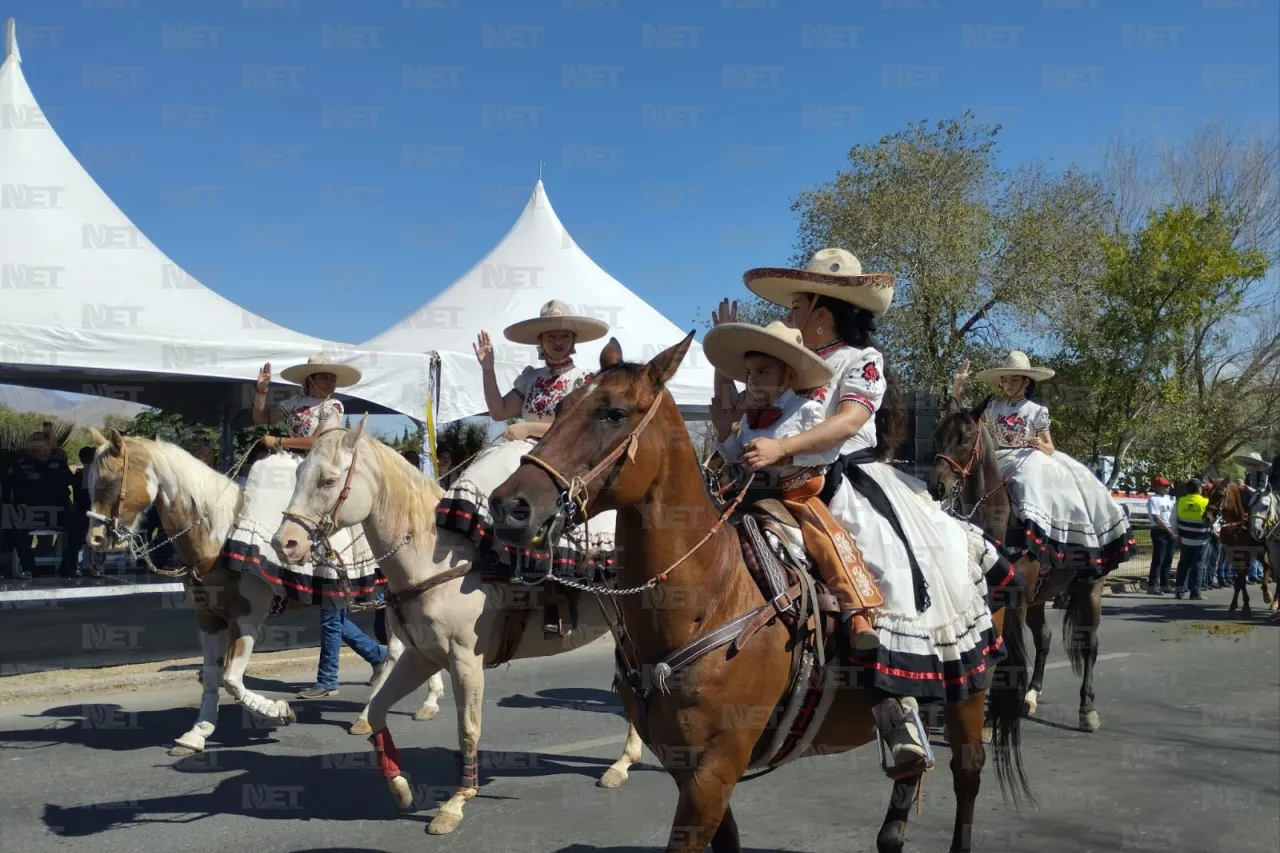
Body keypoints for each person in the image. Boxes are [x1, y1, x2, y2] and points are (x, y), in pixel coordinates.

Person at [717, 248, 1008, 779]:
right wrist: (728, 371)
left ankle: (898, 708)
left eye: (797, 304)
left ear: (822, 311)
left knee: (878, 571)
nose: (789, 313)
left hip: (845, 482)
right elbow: (739, 431)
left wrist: (785, 450)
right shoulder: (786, 368)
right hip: (771, 486)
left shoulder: (861, 359)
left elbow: (850, 421)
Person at [435, 299, 616, 636]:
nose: (558, 342)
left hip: (562, 456)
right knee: (491, 481)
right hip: (526, 452)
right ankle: (492, 561)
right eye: (551, 336)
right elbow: (499, 411)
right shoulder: (531, 377)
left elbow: (577, 428)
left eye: (564, 335)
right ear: (540, 342)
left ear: (574, 340)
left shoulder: (584, 380)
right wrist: (487, 368)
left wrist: (528, 429)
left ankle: (558, 593)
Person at [705, 319, 882, 650]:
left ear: (787, 376)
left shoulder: (807, 410)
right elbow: (734, 455)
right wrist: (721, 433)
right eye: (751, 373)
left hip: (798, 494)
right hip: (754, 496)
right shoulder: (749, 417)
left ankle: (857, 611)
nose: (754, 381)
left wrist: (783, 453)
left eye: (764, 372)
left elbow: (823, 449)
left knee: (827, 538)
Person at [247, 354, 388, 699]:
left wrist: (279, 442)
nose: (330, 382)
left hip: (322, 483)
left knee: (330, 603)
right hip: (301, 478)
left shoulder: (333, 408)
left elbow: (323, 443)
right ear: (310, 379)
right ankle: (377, 655)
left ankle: (329, 679)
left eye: (332, 377)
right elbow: (260, 419)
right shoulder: (294, 403)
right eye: (323, 377)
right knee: (329, 605)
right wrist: (262, 393)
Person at [952, 351, 1136, 575]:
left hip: (1028, 457)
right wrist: (958, 383)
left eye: (1014, 380)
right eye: (1005, 380)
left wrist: (1038, 443)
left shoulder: (1037, 411)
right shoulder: (993, 406)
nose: (1008, 385)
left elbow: (1050, 447)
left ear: (1026, 381)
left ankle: (1036, 536)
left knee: (1028, 481)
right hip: (1001, 456)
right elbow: (962, 417)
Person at [2, 433, 75, 580]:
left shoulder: (58, 463)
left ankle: (68, 567)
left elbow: (67, 480)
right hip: (27, 512)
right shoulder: (19, 464)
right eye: (35, 448)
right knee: (12, 521)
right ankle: (29, 568)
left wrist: (42, 479)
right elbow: (11, 485)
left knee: (79, 522)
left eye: (44, 448)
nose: (40, 451)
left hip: (57, 512)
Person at [1173, 478, 1211, 601]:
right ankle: (1195, 592)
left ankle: (1179, 590)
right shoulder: (1206, 502)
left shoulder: (1180, 501)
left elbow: (1173, 519)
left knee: (1183, 563)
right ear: (1199, 489)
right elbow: (1212, 520)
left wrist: (1176, 534)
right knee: (1198, 565)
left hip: (1185, 538)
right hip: (1201, 539)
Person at [1146, 477, 1176, 595]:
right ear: (1157, 487)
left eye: (1168, 486)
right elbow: (1156, 517)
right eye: (1164, 486)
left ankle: (1164, 583)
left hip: (1170, 530)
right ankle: (1153, 585)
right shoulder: (1154, 499)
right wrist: (1168, 529)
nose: (1167, 488)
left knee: (1168, 559)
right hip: (1160, 530)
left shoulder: (1169, 499)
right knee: (1158, 559)